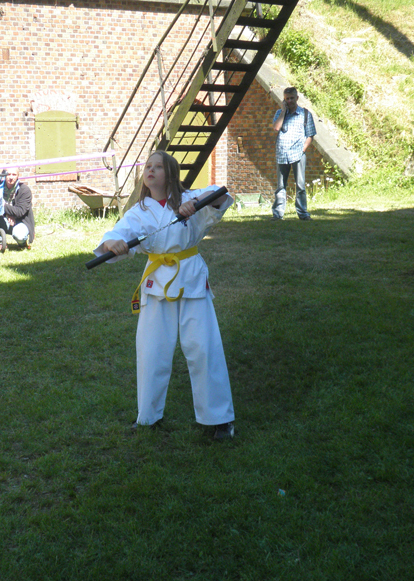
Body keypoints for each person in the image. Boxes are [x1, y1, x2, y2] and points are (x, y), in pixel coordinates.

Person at [94, 151, 236, 440]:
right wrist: (113, 244)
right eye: (148, 166)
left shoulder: (189, 198)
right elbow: (117, 234)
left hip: (192, 280)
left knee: (203, 348)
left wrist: (196, 203)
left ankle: (219, 419)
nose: (151, 170)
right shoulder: (139, 211)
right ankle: (148, 416)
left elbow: (221, 195)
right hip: (156, 284)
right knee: (151, 351)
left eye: (158, 167)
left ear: (170, 174)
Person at [271, 87, 316, 221]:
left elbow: (310, 135)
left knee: (300, 185)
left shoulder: (305, 114)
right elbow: (276, 127)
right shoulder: (279, 113)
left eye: (291, 98)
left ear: (297, 98)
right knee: (280, 186)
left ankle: (303, 213)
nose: (289, 101)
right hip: (282, 154)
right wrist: (283, 111)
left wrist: (303, 150)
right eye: (287, 99)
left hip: (298, 154)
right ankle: (278, 214)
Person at [0, 170, 35, 249]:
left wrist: (3, 205)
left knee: (19, 236)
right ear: (4, 175)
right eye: (8, 174)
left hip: (20, 220)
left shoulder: (24, 190)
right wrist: (8, 214)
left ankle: (22, 243)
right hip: (3, 219)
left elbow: (20, 211)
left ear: (18, 176)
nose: (11, 177)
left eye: (14, 174)